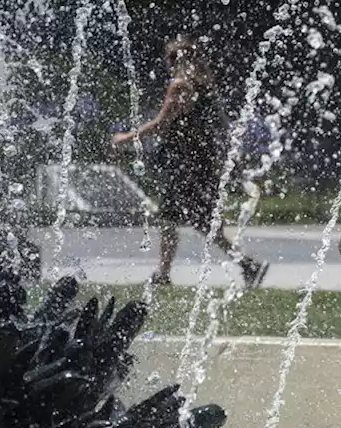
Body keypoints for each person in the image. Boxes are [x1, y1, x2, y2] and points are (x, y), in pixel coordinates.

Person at [112, 36, 268, 287]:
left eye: (168, 59)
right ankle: (246, 265)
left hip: (186, 164)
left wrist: (125, 138)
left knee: (177, 218)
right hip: (201, 162)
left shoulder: (181, 85)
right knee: (198, 222)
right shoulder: (205, 87)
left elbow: (161, 123)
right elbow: (221, 127)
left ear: (174, 60)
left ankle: (166, 273)